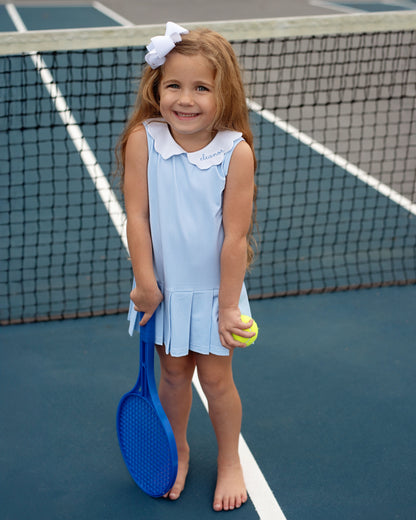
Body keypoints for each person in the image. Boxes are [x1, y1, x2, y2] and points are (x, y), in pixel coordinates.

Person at [117, 21, 257, 512]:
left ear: (224, 94)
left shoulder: (235, 152)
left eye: (202, 87)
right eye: (174, 85)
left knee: (217, 381)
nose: (186, 99)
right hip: (162, 288)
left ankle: (229, 460)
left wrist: (226, 306)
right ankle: (175, 445)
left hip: (216, 292)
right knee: (173, 376)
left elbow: (235, 239)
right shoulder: (143, 139)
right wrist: (146, 282)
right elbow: (137, 215)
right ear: (157, 87)